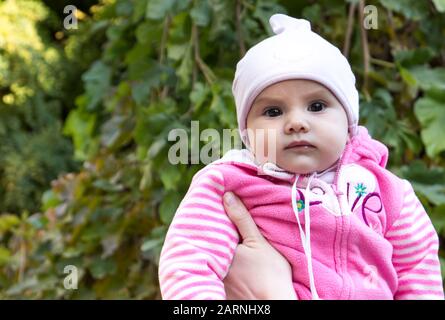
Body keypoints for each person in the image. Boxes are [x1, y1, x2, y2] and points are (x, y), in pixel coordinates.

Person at [158, 13, 444, 300]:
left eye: (317, 106)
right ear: (247, 133)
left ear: (349, 124)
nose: (296, 122)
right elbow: (189, 265)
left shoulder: (389, 191)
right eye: (273, 112)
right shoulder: (231, 184)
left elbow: (418, 271)